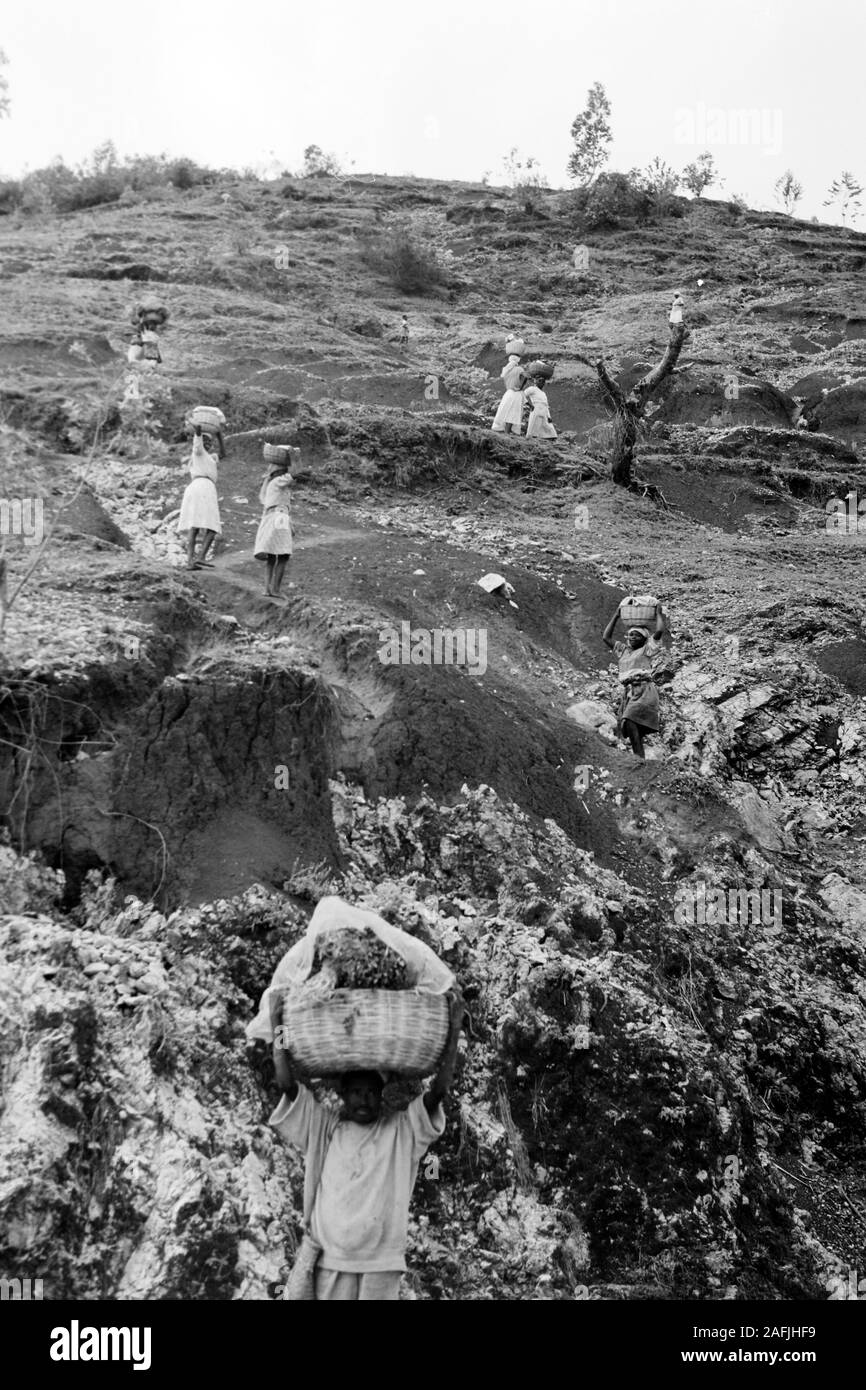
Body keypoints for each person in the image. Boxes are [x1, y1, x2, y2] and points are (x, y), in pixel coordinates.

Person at [269, 986, 464, 1301]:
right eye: (357, 1092)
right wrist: (276, 1022)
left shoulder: (400, 1132)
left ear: (382, 1095)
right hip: (328, 1259)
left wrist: (453, 1030)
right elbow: (286, 1084)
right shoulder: (325, 1128)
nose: (364, 1099)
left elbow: (438, 1092)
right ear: (343, 1096)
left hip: (380, 1264)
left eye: (372, 1092)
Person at [602, 603, 667, 759]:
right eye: (630, 635)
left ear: (644, 639)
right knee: (631, 726)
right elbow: (606, 637)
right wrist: (616, 616)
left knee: (630, 719)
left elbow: (658, 631)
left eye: (636, 635)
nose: (632, 638)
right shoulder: (623, 650)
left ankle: (638, 758)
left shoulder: (646, 650)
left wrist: (658, 614)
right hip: (630, 692)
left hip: (644, 690)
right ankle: (640, 759)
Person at [177, 424, 221, 569]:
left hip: (204, 488)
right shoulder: (198, 452)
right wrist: (198, 432)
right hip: (201, 487)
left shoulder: (209, 458)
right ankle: (195, 559)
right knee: (200, 525)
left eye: (210, 442)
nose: (208, 444)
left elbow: (219, 455)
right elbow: (197, 445)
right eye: (205, 441)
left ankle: (196, 559)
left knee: (206, 525)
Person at [255, 451, 295, 599]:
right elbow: (296, 474)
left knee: (272, 554)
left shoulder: (270, 484)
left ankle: (267, 588)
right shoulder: (279, 481)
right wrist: (295, 458)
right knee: (283, 555)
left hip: (271, 517)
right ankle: (276, 589)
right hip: (280, 517)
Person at [491, 352, 526, 434]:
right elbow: (525, 378)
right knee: (512, 414)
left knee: (506, 412)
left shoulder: (506, 370)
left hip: (508, 393)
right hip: (516, 393)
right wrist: (520, 387)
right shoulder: (519, 369)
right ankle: (507, 432)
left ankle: (505, 431)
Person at [524, 373, 557, 438]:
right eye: (540, 381)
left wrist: (549, 416)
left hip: (544, 412)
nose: (542, 383)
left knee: (551, 432)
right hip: (536, 410)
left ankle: (544, 442)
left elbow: (546, 405)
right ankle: (530, 441)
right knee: (533, 429)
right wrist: (529, 405)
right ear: (535, 381)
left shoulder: (543, 393)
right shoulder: (532, 389)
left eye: (543, 382)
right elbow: (523, 395)